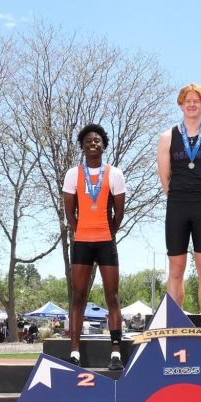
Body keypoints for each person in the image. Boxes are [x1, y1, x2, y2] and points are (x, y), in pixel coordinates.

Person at [157, 83, 201, 334]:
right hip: (177, 206)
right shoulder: (167, 137)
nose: (191, 104)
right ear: (180, 104)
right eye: (186, 100)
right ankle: (175, 324)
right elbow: (164, 178)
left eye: (196, 101)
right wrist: (179, 197)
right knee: (176, 268)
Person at [62, 123, 126, 370]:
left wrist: (108, 233)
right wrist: (80, 231)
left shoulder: (114, 174)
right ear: (82, 146)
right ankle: (75, 353)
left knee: (112, 296)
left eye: (97, 140)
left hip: (106, 241)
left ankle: (116, 353)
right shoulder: (73, 174)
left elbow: (119, 213)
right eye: (88, 141)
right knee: (78, 295)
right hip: (82, 242)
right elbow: (70, 212)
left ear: (104, 146)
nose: (93, 144)